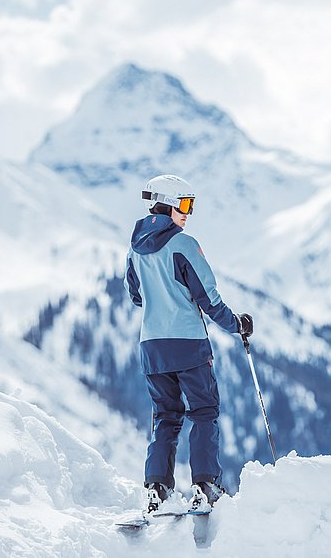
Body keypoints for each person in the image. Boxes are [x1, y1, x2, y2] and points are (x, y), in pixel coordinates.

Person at [124, 174, 253, 513]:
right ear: (166, 203)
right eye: (184, 204)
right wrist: (237, 325)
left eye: (191, 205)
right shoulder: (183, 245)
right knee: (204, 411)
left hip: (151, 346)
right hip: (188, 344)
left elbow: (136, 296)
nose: (188, 213)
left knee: (165, 415)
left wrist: (160, 295)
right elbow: (208, 300)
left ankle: (156, 489)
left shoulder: (136, 247)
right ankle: (205, 485)